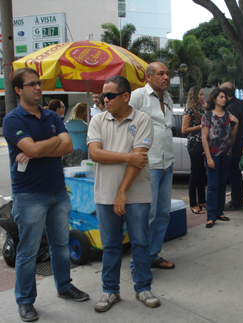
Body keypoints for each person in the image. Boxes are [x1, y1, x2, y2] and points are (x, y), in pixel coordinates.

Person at [3, 67, 89, 322]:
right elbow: (36, 147)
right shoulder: (13, 119)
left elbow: (69, 145)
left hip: (57, 191)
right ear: (19, 90)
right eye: (31, 84)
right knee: (28, 251)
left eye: (39, 83)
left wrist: (38, 149)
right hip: (29, 195)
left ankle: (64, 286)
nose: (38, 88)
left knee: (60, 245)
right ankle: (26, 301)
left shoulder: (51, 115)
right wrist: (45, 145)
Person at [88, 75, 160, 312]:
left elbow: (140, 160)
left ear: (125, 96)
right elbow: (96, 154)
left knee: (140, 242)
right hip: (105, 195)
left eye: (110, 95)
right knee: (110, 246)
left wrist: (122, 192)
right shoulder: (97, 120)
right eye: (102, 95)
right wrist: (127, 156)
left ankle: (143, 288)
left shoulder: (142, 119)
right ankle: (110, 291)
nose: (104, 99)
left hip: (135, 194)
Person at [129, 62, 175, 270]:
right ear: (148, 77)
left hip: (167, 163)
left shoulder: (168, 98)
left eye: (167, 73)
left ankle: (153, 255)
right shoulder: (138, 96)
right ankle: (138, 261)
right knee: (148, 214)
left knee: (164, 213)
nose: (166, 77)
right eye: (160, 74)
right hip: (149, 164)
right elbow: (126, 124)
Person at [202, 88, 239, 228]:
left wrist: (237, 122)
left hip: (226, 153)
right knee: (212, 184)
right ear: (214, 99)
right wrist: (208, 157)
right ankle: (210, 216)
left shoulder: (228, 115)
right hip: (213, 154)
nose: (224, 99)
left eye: (225, 97)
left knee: (223, 183)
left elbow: (231, 136)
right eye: (221, 97)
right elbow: (204, 138)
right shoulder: (208, 115)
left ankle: (219, 212)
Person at [220, 82, 243, 211]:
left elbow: (229, 129)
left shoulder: (230, 108)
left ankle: (236, 201)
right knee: (238, 173)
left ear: (226, 94)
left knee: (234, 174)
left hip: (235, 143)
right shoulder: (242, 103)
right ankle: (237, 199)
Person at [182, 86, 207, 214]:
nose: (202, 97)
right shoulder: (189, 110)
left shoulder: (201, 109)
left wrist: (205, 105)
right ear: (194, 96)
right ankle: (193, 203)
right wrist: (199, 126)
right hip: (194, 144)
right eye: (200, 95)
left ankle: (202, 200)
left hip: (202, 144)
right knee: (195, 174)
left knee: (202, 174)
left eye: (202, 94)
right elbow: (184, 129)